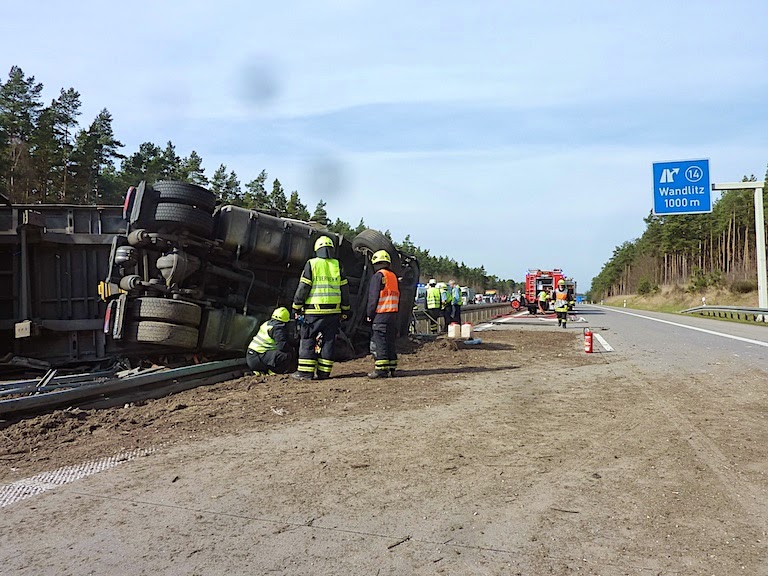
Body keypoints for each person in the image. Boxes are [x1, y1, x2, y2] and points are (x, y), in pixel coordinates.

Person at [291, 235, 350, 380]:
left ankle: (305, 373)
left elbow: (304, 287)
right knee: (329, 341)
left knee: (308, 339)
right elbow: (345, 290)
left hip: (314, 311)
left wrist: (296, 306)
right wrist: (345, 309)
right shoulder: (337, 265)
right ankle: (324, 373)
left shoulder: (312, 264)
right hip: (334, 312)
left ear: (317, 249)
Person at [366, 250, 400, 378]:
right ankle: (391, 367)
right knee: (390, 341)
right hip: (393, 314)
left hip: (381, 314)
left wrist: (369, 313)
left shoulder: (378, 276)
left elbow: (373, 297)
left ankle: (381, 370)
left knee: (380, 342)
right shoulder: (392, 276)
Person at [246, 307, 297, 375]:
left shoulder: (267, 324)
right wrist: (292, 350)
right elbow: (282, 346)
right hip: (258, 358)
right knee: (286, 355)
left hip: (251, 356)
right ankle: (273, 371)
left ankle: (261, 370)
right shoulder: (277, 329)